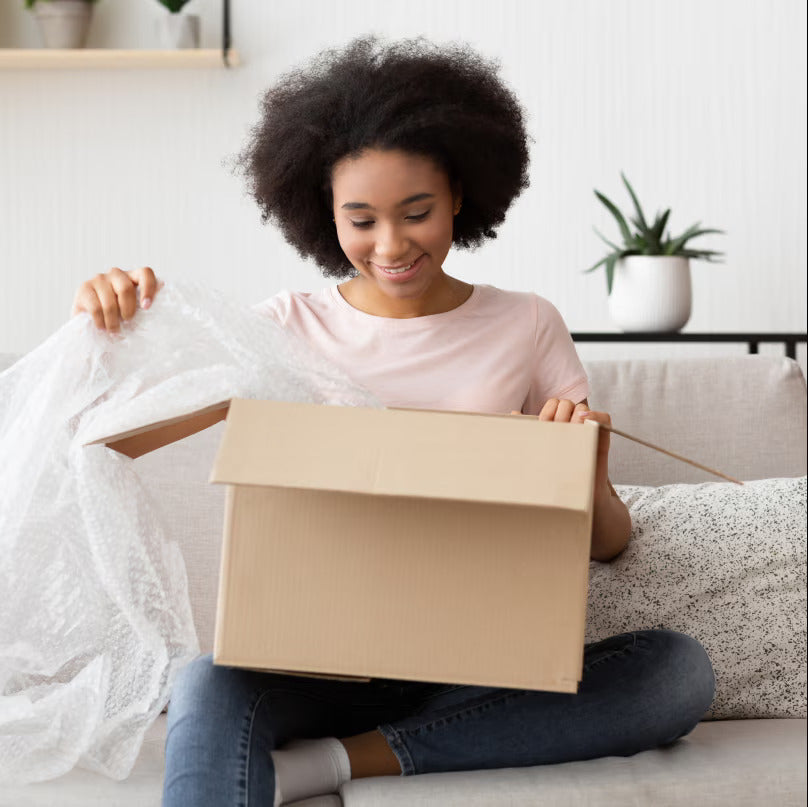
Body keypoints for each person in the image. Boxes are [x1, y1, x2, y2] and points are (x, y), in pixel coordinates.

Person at [72, 34, 715, 807]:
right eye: (362, 220)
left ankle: (337, 763)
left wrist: (590, 468)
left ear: (460, 198)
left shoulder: (529, 325)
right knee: (206, 680)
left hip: (480, 662)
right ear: (322, 214)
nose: (392, 245)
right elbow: (114, 439)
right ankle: (374, 746)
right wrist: (107, 338)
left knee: (676, 671)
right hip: (311, 662)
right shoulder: (283, 325)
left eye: (416, 212)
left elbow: (610, 544)